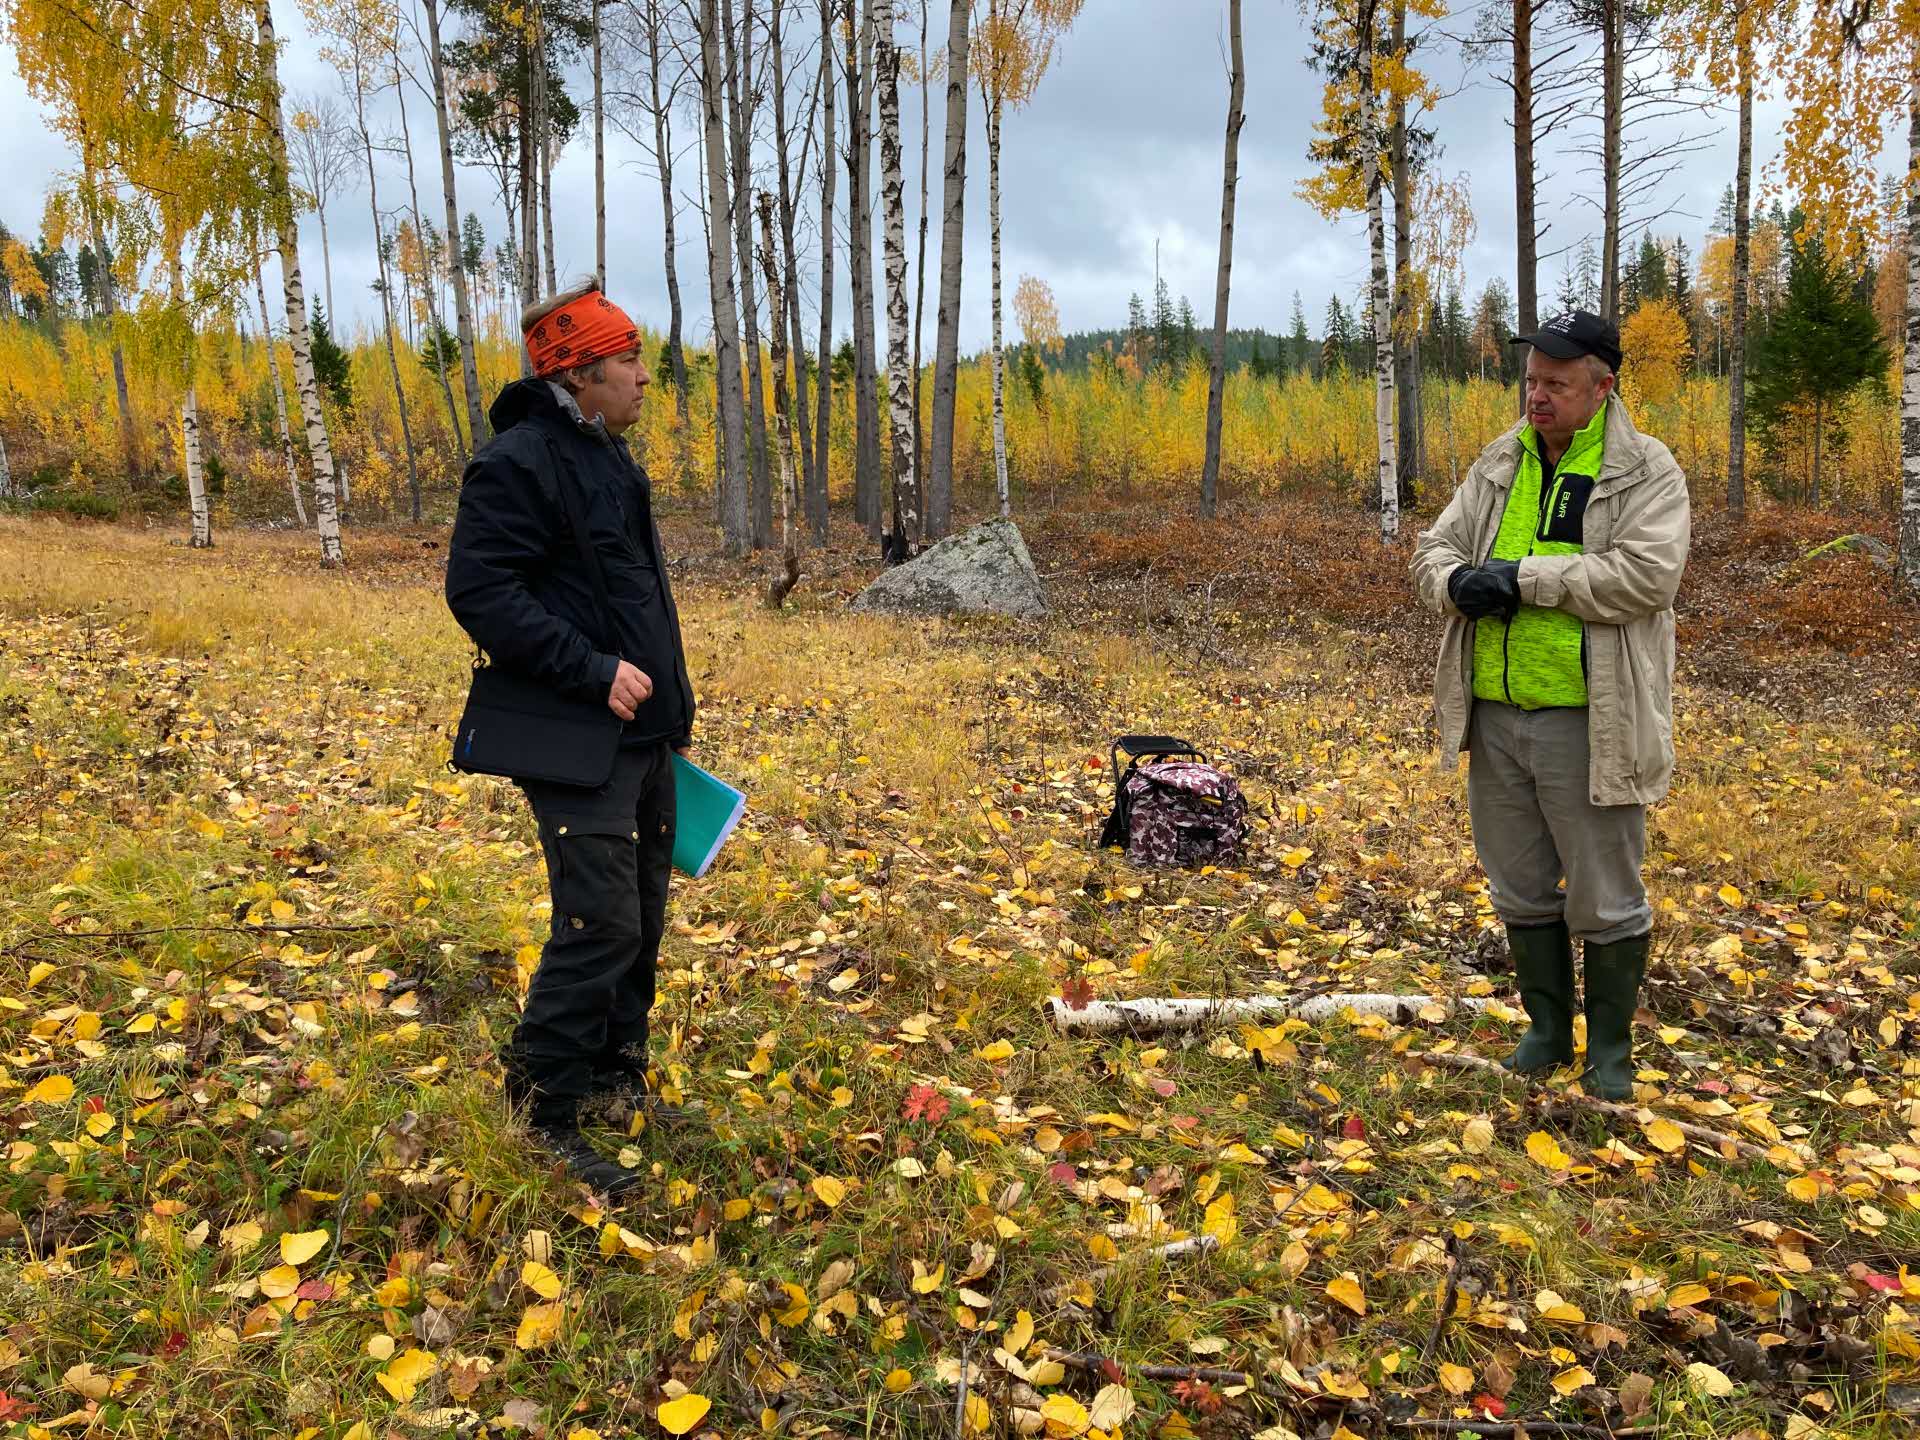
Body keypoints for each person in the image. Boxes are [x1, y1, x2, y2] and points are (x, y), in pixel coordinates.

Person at [446, 278, 696, 1193]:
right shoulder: (518, 463)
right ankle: (543, 1107)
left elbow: (631, 598)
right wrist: (593, 671)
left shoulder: (607, 457)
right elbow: (479, 594)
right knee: (599, 923)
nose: (642, 377)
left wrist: (669, 712)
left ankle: (612, 1076)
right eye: (628, 361)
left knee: (643, 916)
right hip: (570, 734)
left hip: (640, 739)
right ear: (580, 372)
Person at [1410, 310, 1689, 1101]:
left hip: (1590, 719)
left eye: (1558, 385)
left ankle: (1609, 1055)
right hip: (1494, 717)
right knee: (1520, 885)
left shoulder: (1646, 471)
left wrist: (1527, 577)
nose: (1538, 396)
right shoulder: (1501, 460)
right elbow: (1434, 548)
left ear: (1603, 387)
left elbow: (1647, 576)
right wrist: (1456, 582)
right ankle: (1544, 1031)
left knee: (1604, 893)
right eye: (1532, 380)